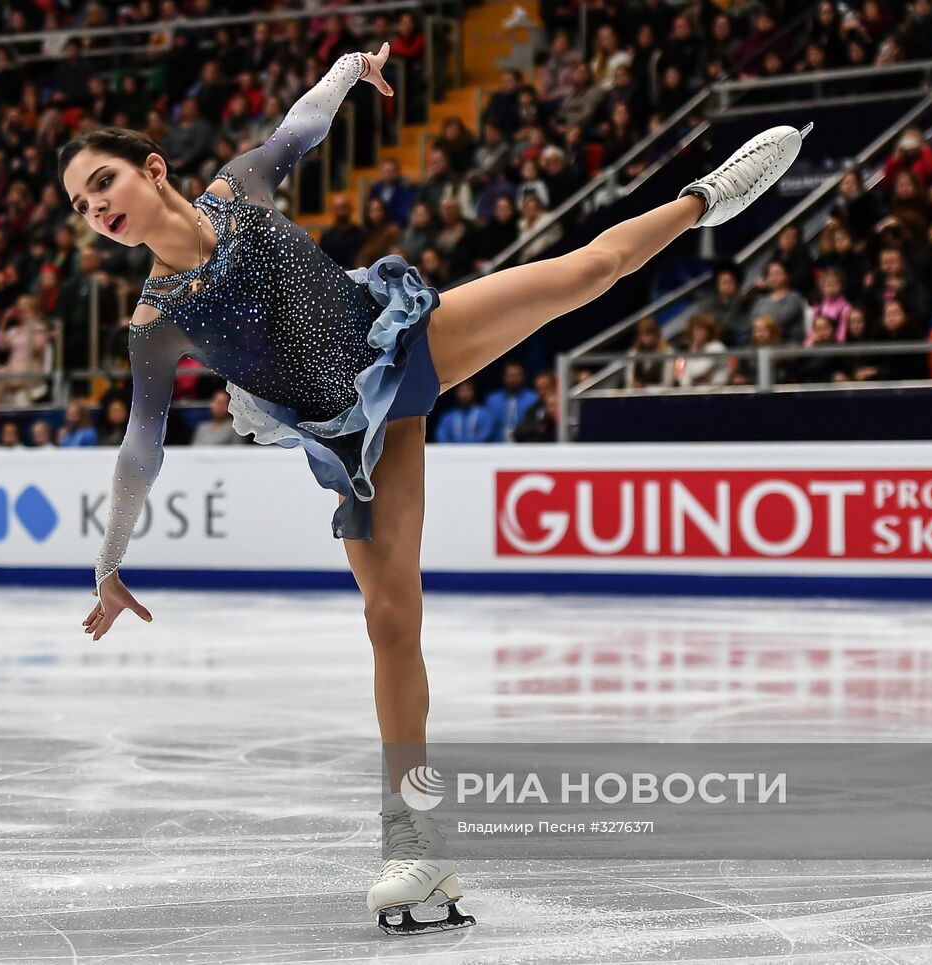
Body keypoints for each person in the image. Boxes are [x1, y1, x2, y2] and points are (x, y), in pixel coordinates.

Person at [60, 43, 807, 934]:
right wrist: (110, 563)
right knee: (389, 618)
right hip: (356, 435)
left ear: (153, 168)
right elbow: (140, 450)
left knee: (587, 272)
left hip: (404, 339)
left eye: (104, 181)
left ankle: (706, 196)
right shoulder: (155, 321)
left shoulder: (237, 189)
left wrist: (345, 70)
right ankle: (415, 839)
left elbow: (303, 124)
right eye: (80, 203)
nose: (97, 207)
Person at [482, 360, 538, 441]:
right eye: (510, 376)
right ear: (504, 377)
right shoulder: (492, 400)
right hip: (497, 447)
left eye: (517, 375)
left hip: (525, 447)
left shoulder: (533, 398)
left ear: (523, 377)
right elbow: (487, 428)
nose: (514, 379)